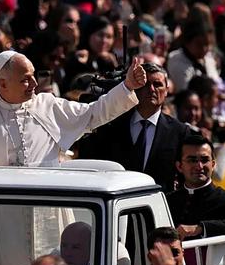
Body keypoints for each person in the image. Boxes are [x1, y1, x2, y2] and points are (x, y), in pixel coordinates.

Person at [0, 50, 146, 167]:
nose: (34, 84)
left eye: (33, 76)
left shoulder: (47, 106)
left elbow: (94, 114)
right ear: (3, 84)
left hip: (47, 207)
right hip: (1, 215)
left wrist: (126, 86)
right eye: (25, 80)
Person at [78, 63, 189, 193]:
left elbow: (185, 176)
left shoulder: (179, 132)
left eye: (157, 84)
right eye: (145, 84)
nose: (152, 89)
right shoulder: (111, 125)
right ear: (135, 88)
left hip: (158, 206)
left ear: (167, 90)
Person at [165, 135, 225, 241]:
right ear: (179, 166)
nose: (199, 166)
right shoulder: (168, 201)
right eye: (192, 160)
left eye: (204, 159)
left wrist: (200, 228)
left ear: (213, 164)